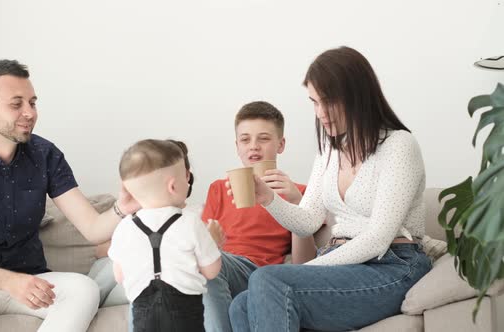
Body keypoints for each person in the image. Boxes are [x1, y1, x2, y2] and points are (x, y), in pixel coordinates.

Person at [0, 59, 139, 332]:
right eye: (16, 104)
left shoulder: (46, 155)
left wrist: (122, 208)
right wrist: (8, 281)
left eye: (32, 103)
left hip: (31, 284)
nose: (29, 112)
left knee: (84, 289)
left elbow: (91, 228)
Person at [228, 46, 432, 332]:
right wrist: (267, 198)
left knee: (268, 280)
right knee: (241, 304)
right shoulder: (329, 152)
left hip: (393, 267)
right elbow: (308, 222)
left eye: (329, 102)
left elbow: (377, 240)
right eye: (314, 102)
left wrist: (302, 271)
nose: (321, 113)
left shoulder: (399, 145)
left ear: (357, 96)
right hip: (344, 265)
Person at [202, 101, 317, 332]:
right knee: (203, 262)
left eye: (263, 139)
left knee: (210, 262)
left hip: (261, 274)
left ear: (280, 144)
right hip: (223, 268)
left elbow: (304, 265)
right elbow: (203, 245)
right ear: (237, 146)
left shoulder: (302, 192)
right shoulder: (218, 188)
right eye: (245, 139)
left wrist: (297, 203)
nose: (253, 146)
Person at [109, 139, 222, 332]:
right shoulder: (191, 222)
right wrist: (214, 242)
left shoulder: (124, 227)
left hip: (142, 314)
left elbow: (119, 276)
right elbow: (211, 271)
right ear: (173, 186)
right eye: (185, 176)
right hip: (185, 313)